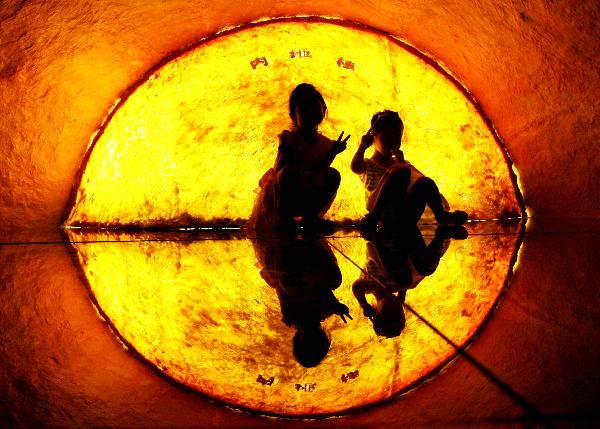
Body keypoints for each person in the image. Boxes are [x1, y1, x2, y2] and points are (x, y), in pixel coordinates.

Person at [248, 83, 350, 233]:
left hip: (310, 191)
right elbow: (279, 172)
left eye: (314, 107)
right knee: (289, 173)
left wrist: (332, 153)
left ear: (324, 110)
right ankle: (283, 218)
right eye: (304, 109)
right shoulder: (288, 138)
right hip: (285, 193)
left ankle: (310, 217)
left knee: (333, 174)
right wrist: (284, 155)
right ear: (293, 116)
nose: (310, 112)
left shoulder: (326, 144)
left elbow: (320, 170)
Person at [350, 110, 467, 231]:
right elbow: (355, 167)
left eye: (397, 139)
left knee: (425, 182)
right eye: (386, 139)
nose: (392, 143)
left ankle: (441, 214)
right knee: (401, 170)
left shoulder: (401, 164)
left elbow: (412, 180)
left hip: (405, 212)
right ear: (373, 137)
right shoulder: (369, 164)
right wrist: (362, 146)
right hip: (383, 213)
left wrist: (401, 163)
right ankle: (372, 218)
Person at [252, 233, 352, 367]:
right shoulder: (325, 311)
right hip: (311, 267)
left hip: (290, 269)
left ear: (299, 339)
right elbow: (325, 293)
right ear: (322, 339)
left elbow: (284, 293)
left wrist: (332, 305)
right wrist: (336, 305)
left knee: (289, 286)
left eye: (308, 341)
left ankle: (287, 245)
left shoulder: (292, 317)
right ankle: (312, 242)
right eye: (315, 341)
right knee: (334, 281)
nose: (312, 337)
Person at [352, 225, 464, 338]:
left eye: (389, 313)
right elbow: (405, 281)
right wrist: (402, 292)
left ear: (376, 312)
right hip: (403, 243)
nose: (394, 307)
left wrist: (364, 305)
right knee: (423, 271)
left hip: (382, 238)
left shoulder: (372, 287)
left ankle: (440, 236)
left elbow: (356, 287)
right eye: (398, 311)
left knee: (409, 279)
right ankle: (441, 236)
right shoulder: (398, 287)